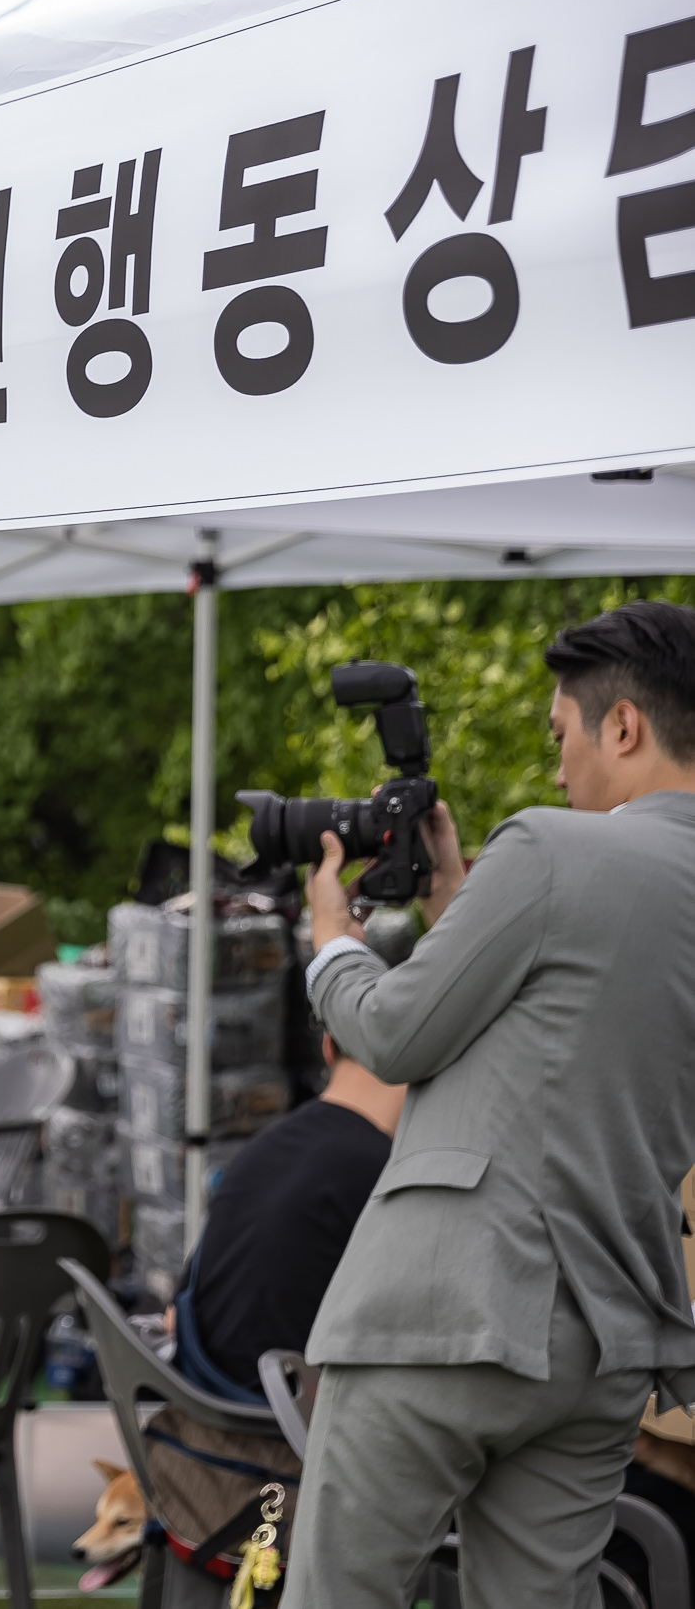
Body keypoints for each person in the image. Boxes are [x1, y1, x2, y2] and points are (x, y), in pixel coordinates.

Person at [285, 600, 695, 1609]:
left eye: (561, 735)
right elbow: (570, 1027)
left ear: (624, 726)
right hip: (609, 1336)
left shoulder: (556, 848)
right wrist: (459, 895)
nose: (558, 770)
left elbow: (391, 1035)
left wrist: (331, 941)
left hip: (444, 1308)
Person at [169, 1031, 405, 1402]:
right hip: (287, 1437)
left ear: (327, 1046)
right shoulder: (389, 1176)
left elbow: (174, 1315)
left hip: (210, 1413)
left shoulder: (262, 1148)